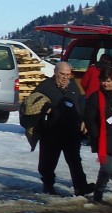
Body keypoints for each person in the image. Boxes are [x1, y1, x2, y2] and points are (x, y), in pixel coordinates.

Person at [33, 61, 91, 195]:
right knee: (48, 161)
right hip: (51, 132)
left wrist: (83, 120)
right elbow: (32, 103)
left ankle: (80, 187)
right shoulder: (45, 86)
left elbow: (79, 104)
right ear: (55, 72)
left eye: (68, 74)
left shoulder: (72, 86)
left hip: (71, 131)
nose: (65, 77)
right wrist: (46, 110)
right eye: (62, 74)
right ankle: (48, 184)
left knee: (75, 160)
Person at [84, 65, 112, 204]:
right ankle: (98, 193)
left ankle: (97, 194)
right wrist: (96, 136)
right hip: (103, 140)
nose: (106, 83)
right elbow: (90, 120)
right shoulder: (95, 97)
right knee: (108, 168)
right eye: (104, 80)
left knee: (110, 170)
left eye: (109, 80)